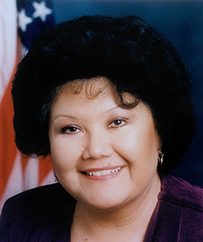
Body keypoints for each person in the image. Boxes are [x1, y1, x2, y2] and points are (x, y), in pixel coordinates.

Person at [1, 15, 203, 241]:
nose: (95, 150)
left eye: (117, 122)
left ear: (160, 131)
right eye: (71, 128)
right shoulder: (20, 221)